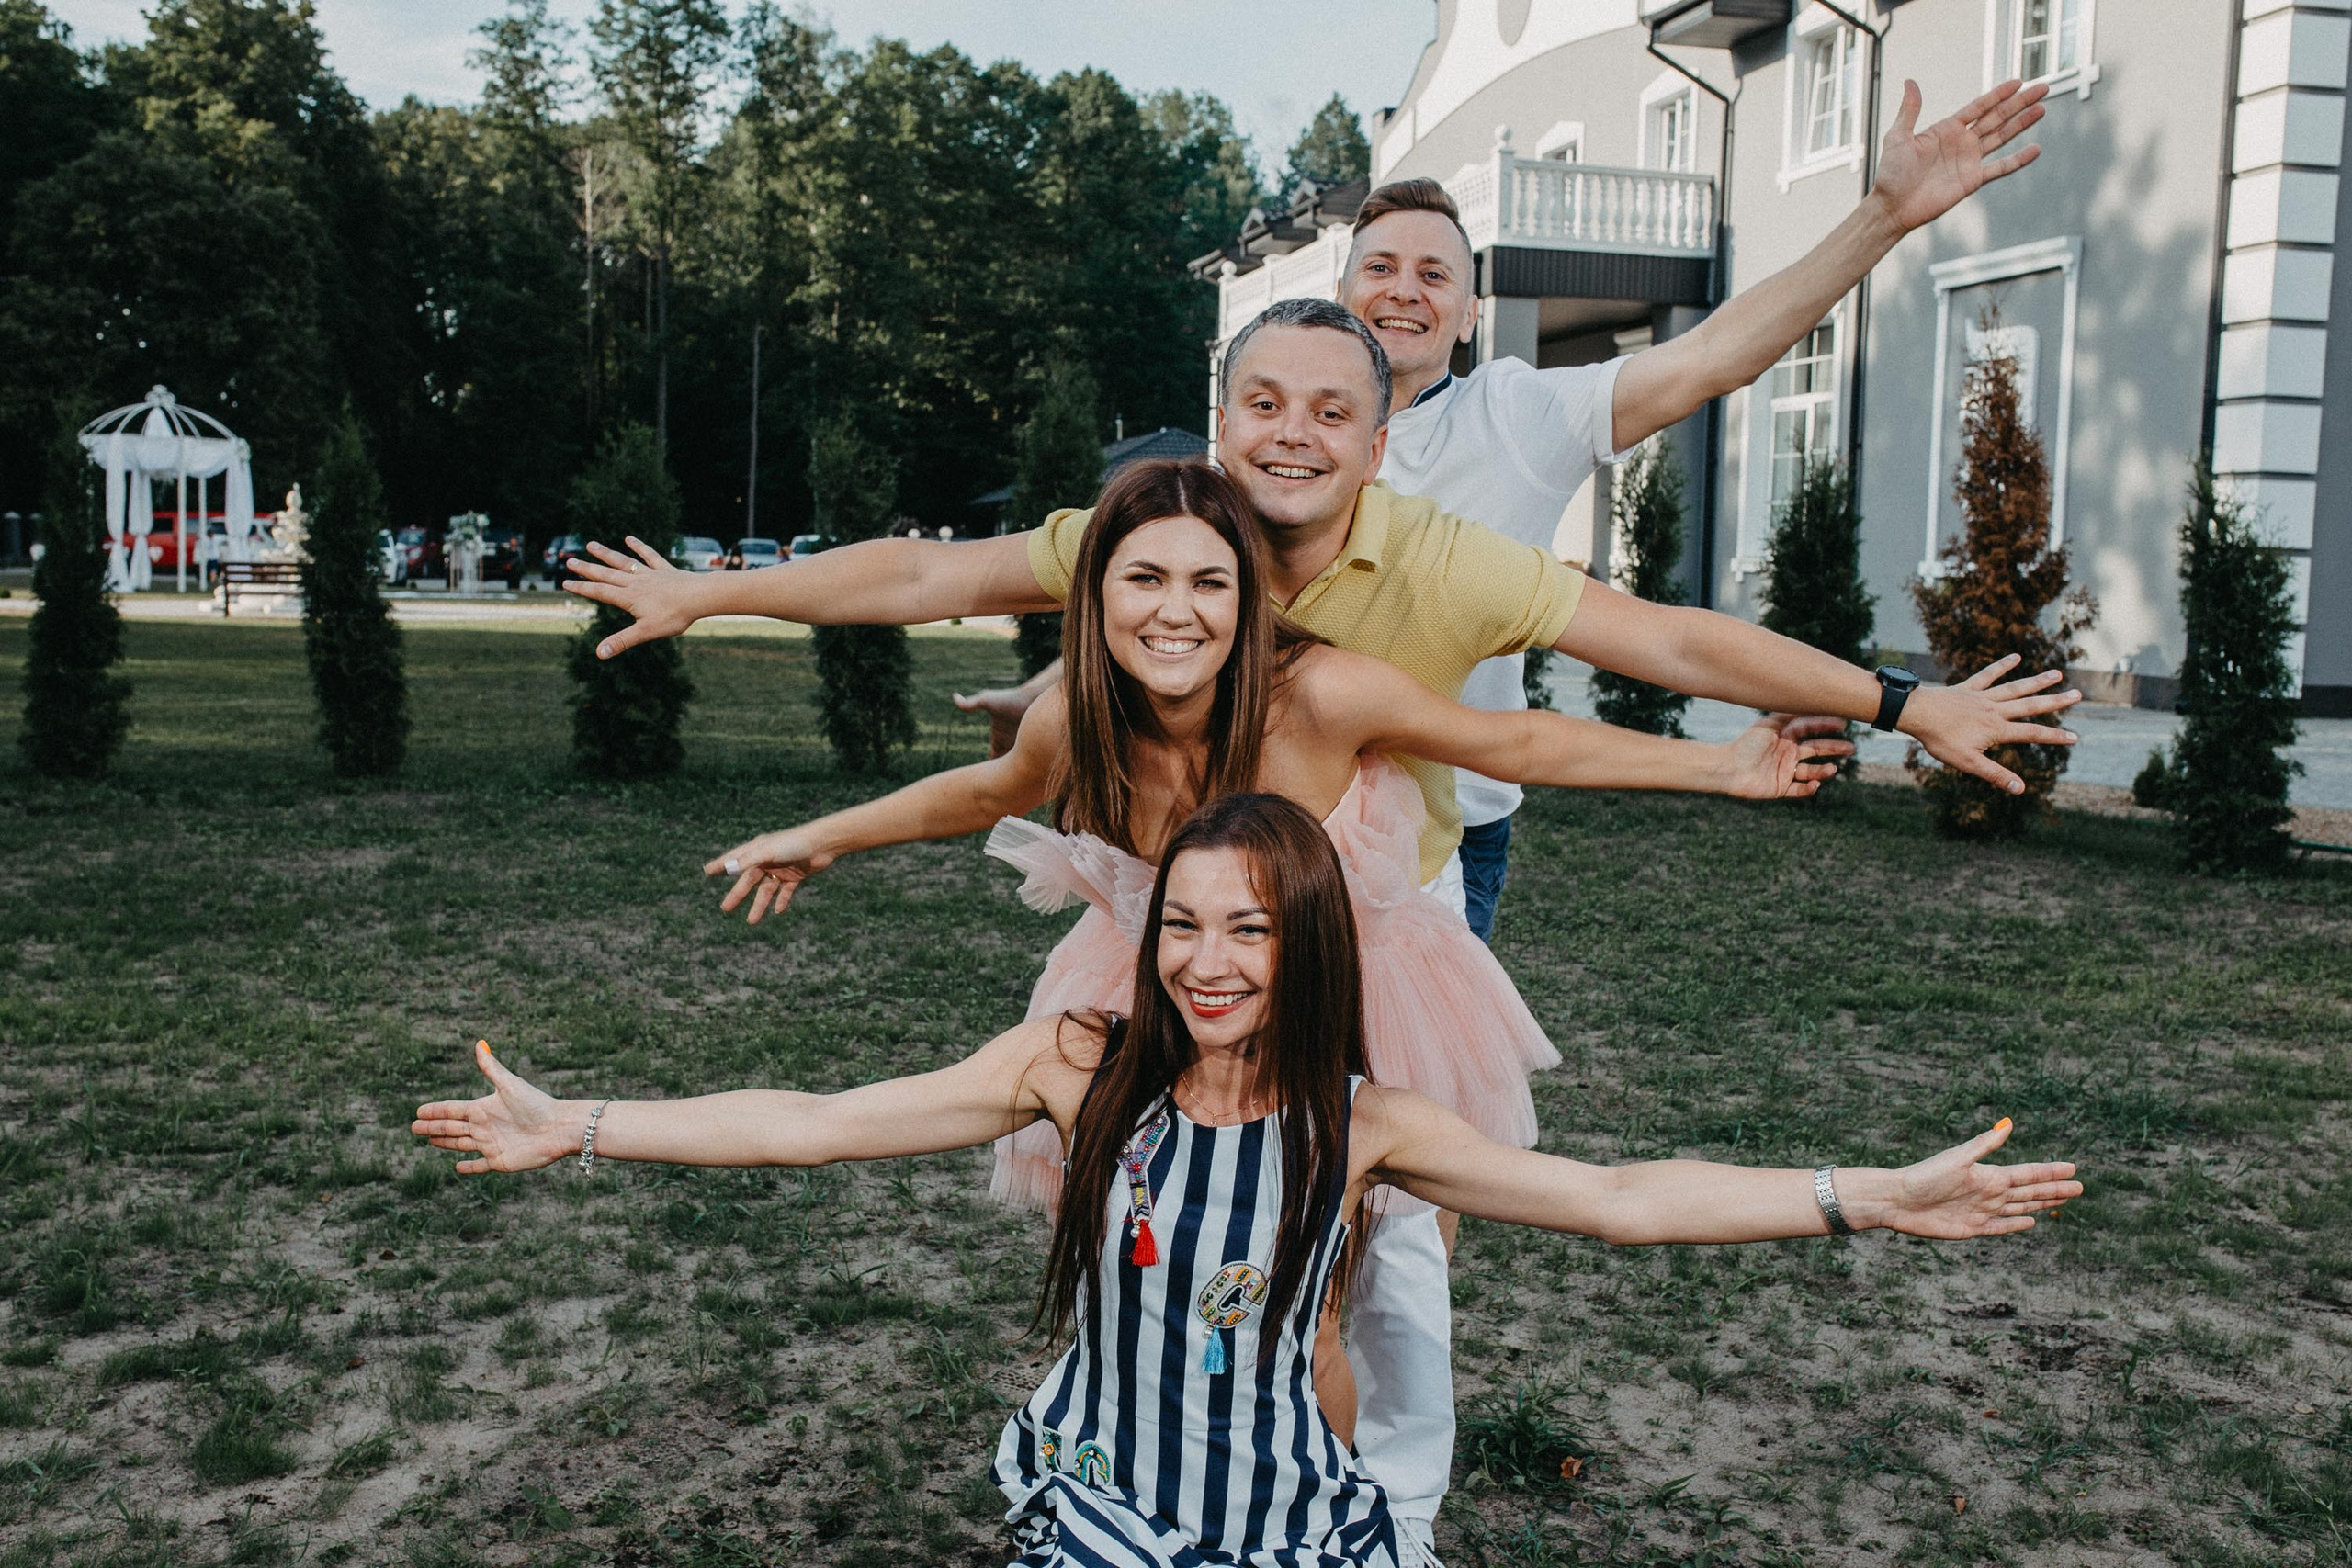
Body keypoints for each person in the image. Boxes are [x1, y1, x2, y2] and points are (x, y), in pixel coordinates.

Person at [411, 792, 2083, 1568]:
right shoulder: (1071, 1063)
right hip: (1109, 1503)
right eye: (1184, 923)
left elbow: (1618, 1196)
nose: (1209, 961)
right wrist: (593, 1123)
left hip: (1298, 1514)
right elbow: (821, 1116)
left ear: (1308, 946)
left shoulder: (1364, 1123)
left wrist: (1862, 1192)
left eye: (1252, 928)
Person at [949, 79, 2052, 939]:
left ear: (1470, 313)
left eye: (1436, 273)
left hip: (1442, 831)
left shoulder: (1526, 414)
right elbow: (1196, 593)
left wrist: (1882, 216)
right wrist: (1060, 687)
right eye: (1378, 265)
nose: (1404, 288)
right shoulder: (1274, 436)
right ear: (1340, 298)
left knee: (1412, 1149)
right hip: (1241, 815)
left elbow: (1716, 363)